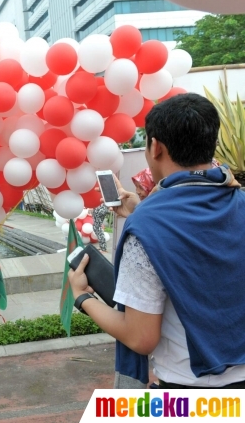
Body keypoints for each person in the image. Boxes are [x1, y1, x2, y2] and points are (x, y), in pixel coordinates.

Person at [69, 93, 245, 389]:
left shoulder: (148, 227)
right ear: (212, 142)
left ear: (155, 146)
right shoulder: (238, 200)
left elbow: (141, 337)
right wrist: (141, 209)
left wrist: (82, 297)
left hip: (192, 393)